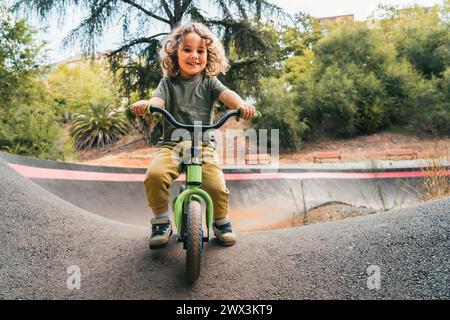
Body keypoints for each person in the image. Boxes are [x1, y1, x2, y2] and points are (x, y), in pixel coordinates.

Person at [131, 22, 256, 249]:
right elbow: (157, 101)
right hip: (172, 145)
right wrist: (148, 105)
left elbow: (227, 95)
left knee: (216, 185)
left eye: (200, 51)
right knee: (154, 175)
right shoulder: (167, 83)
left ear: (209, 55)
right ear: (174, 54)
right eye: (187, 50)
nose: (194, 56)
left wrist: (241, 105)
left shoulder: (210, 82)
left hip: (203, 146)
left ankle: (221, 222)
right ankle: (160, 221)